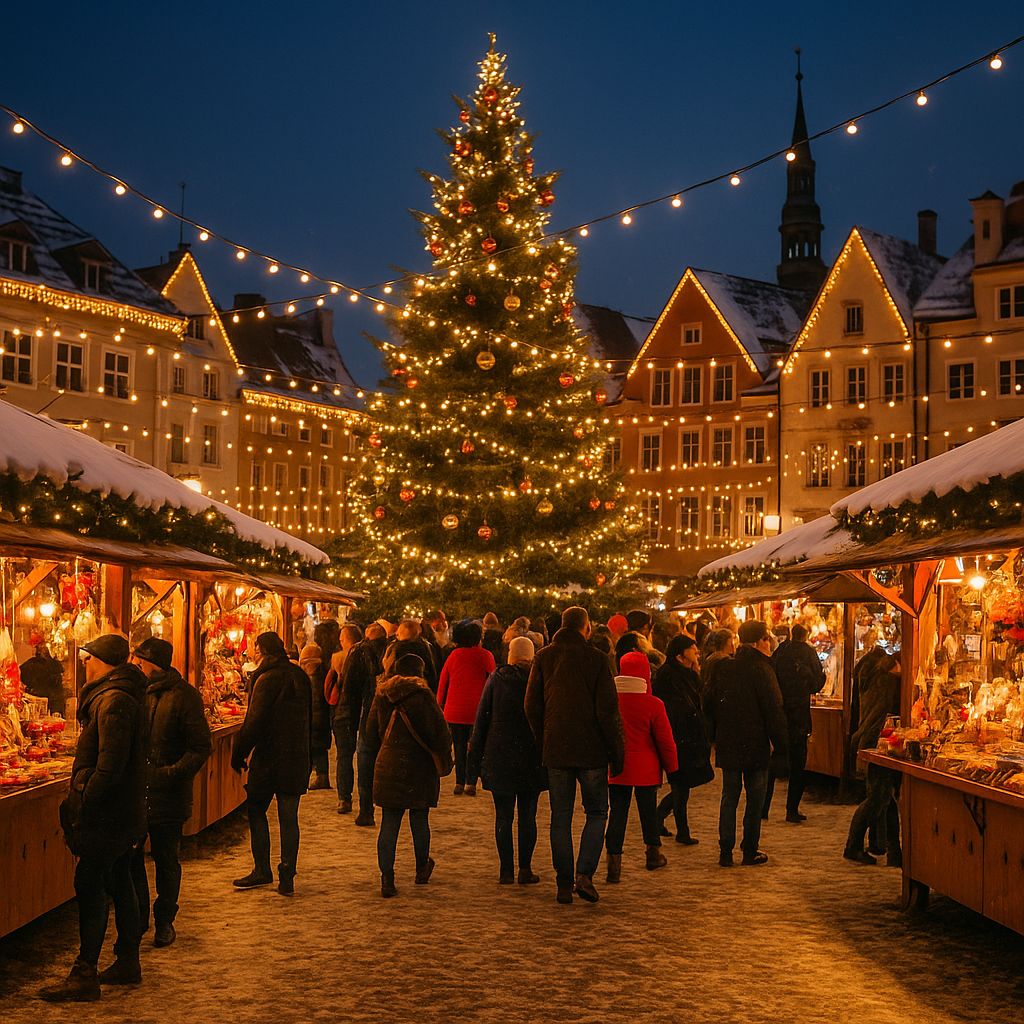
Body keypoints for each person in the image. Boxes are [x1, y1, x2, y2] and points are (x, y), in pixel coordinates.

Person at [41, 635, 147, 1002]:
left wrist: (84, 800)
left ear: (103, 661)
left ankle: (85, 972)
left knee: (90, 883)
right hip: (124, 810)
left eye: (88, 658)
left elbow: (111, 764)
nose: (84, 663)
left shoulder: (114, 700)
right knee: (120, 879)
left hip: (109, 813)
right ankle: (127, 961)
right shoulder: (118, 695)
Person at [525, 606, 625, 905]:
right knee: (596, 812)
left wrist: (544, 736)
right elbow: (608, 711)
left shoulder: (544, 657)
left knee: (561, 816)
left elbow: (531, 705)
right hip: (592, 749)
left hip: (556, 747)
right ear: (587, 629)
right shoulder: (597, 659)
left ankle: (563, 882)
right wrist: (616, 751)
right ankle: (584, 873)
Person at [128, 638, 211, 950]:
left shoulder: (184, 696)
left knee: (166, 860)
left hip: (169, 794)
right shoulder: (136, 693)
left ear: (152, 664)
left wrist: (171, 774)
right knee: (132, 857)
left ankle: (165, 920)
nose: (136, 666)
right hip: (137, 793)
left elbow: (200, 746)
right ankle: (137, 918)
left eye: (140, 662)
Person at [363, 653, 454, 897]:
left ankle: (387, 878)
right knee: (419, 818)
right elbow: (439, 735)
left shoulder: (382, 695)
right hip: (419, 765)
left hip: (389, 763)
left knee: (389, 823)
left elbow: (369, 734)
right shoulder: (423, 696)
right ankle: (421, 868)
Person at [231, 632, 313, 896]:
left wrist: (239, 752)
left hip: (270, 757)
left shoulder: (266, 678)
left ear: (262, 649)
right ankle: (287, 873)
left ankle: (262, 869)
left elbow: (254, 722)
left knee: (256, 810)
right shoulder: (299, 675)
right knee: (289, 817)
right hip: (297, 754)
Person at [702, 620, 788, 868]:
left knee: (729, 796)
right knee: (754, 798)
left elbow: (708, 702)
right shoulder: (762, 668)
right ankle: (749, 849)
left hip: (728, 741)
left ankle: (725, 851)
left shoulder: (724, 667)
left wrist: (716, 735)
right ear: (761, 641)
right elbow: (774, 710)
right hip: (754, 743)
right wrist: (782, 747)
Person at [468, 636, 546, 885]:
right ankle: (525, 868)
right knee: (528, 815)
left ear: (510, 654)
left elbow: (481, 720)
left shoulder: (496, 679)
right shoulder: (539, 680)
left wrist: (474, 762)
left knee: (503, 816)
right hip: (531, 754)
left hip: (499, 753)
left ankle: (506, 870)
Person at [604, 652, 677, 883]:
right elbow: (665, 740)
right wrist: (673, 767)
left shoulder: (610, 701)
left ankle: (613, 864)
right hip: (646, 769)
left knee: (617, 814)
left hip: (617, 767)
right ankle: (653, 853)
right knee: (648, 812)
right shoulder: (654, 704)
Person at [653, 635, 714, 845]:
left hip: (690, 736)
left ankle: (660, 816)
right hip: (678, 735)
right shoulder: (668, 676)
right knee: (681, 784)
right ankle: (681, 830)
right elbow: (674, 709)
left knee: (683, 783)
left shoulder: (688, 674)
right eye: (692, 648)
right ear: (680, 655)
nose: (697, 651)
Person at [763, 623, 826, 823]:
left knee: (774, 761)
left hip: (780, 713)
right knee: (798, 764)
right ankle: (792, 810)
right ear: (806, 635)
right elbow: (817, 683)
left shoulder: (781, 651)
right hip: (798, 714)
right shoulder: (808, 653)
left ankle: (763, 808)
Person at [844, 653, 903, 866]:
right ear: (897, 664)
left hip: (871, 740)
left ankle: (891, 851)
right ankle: (853, 846)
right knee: (879, 797)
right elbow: (884, 716)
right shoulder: (887, 682)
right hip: (880, 742)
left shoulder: (874, 674)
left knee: (885, 798)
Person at [437, 619, 495, 796]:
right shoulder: (485, 655)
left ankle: (459, 782)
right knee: (476, 746)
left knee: (459, 747)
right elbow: (493, 679)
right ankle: (471, 781)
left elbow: (443, 682)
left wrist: (439, 704)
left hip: (454, 709)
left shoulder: (453, 655)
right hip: (477, 710)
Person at [340, 622, 387, 826]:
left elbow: (349, 690)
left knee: (366, 760)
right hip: (390, 717)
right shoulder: (394, 651)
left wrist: (347, 720)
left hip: (368, 715)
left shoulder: (359, 652)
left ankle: (366, 809)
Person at [326, 623, 363, 813]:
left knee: (344, 756)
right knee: (362, 756)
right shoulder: (366, 655)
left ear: (346, 639)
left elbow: (329, 687)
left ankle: (344, 798)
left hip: (343, 711)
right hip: (359, 710)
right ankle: (365, 801)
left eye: (341, 638)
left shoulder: (338, 658)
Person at [308, 621, 339, 790]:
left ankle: (321, 776)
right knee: (318, 746)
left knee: (315, 746)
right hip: (325, 712)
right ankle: (321, 775)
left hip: (317, 713)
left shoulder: (317, 665)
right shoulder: (331, 656)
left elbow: (315, 696)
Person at [385, 619, 439, 694]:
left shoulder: (395, 648)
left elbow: (389, 670)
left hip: (399, 692)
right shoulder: (425, 647)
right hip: (422, 690)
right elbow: (432, 672)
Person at [21, 643, 67, 717]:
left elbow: (57, 690)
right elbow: (57, 690)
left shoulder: (30, 665)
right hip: (39, 707)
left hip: (40, 707)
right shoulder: (31, 665)